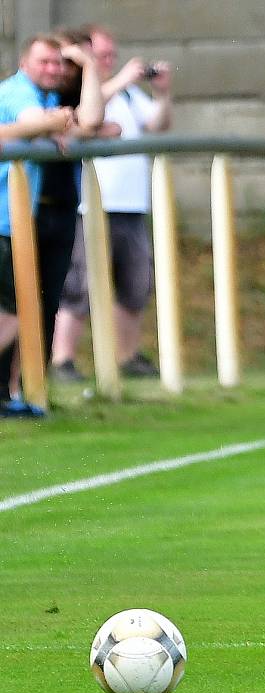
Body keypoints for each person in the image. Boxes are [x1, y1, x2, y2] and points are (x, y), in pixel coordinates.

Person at [51, 24, 173, 381]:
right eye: (100, 55)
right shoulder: (84, 91)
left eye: (110, 56)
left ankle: (127, 356)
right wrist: (118, 78)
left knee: (135, 285)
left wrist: (162, 93)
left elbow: (159, 124)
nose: (107, 61)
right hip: (90, 206)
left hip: (132, 206)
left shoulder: (131, 96)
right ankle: (63, 359)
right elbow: (90, 110)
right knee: (80, 286)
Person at [0, 33, 103, 417]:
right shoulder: (16, 93)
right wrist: (49, 124)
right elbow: (34, 122)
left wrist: (57, 123)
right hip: (7, 218)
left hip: (16, 220)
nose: (52, 69)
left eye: (57, 63)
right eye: (43, 61)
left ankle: (15, 394)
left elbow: (88, 124)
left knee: (21, 308)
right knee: (14, 310)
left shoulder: (44, 97)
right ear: (24, 62)